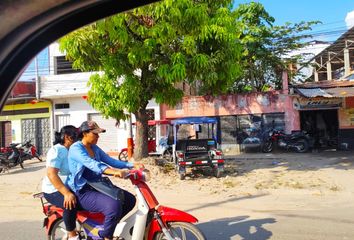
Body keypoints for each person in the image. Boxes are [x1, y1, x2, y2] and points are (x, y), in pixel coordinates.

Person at [67, 120, 139, 240]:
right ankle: (105, 236)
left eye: (98, 134)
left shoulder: (94, 147)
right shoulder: (76, 148)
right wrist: (114, 172)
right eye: (95, 134)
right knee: (114, 206)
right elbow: (92, 164)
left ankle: (108, 227)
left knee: (129, 200)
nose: (98, 136)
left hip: (97, 186)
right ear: (85, 133)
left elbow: (111, 161)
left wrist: (132, 165)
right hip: (82, 191)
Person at [42, 125, 79, 240]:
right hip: (53, 189)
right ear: (68, 137)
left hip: (69, 185)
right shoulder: (57, 150)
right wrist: (66, 193)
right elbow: (51, 174)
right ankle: (72, 234)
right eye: (77, 137)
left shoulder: (72, 150)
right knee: (70, 203)